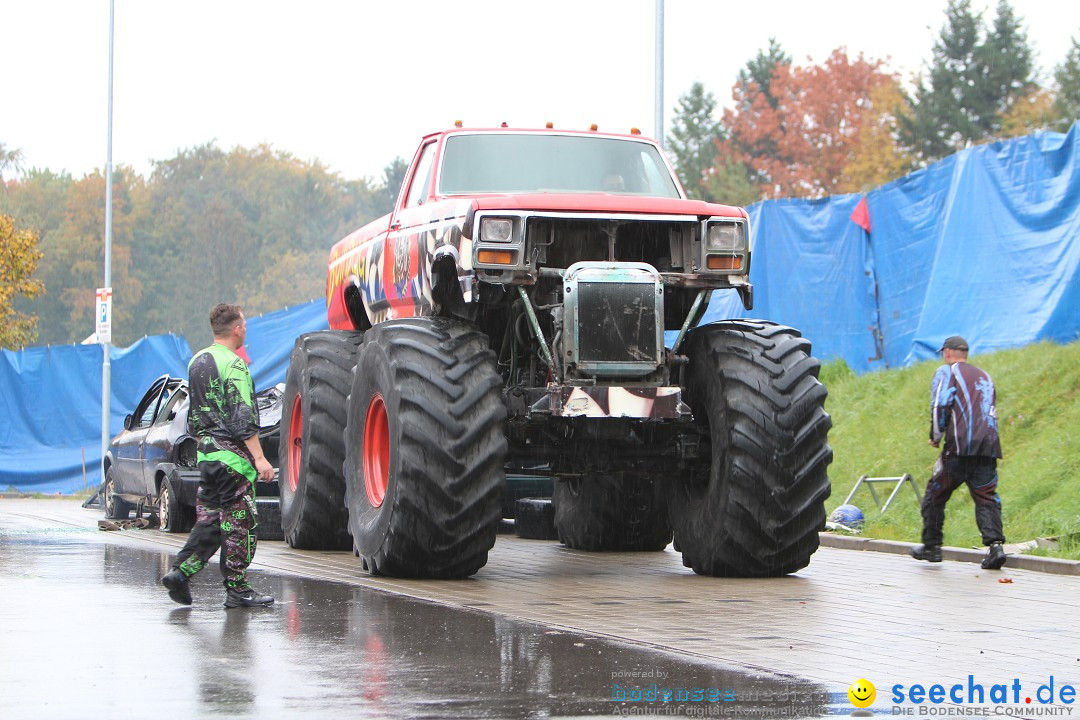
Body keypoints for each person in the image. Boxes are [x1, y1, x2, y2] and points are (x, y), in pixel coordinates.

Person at [161, 304, 276, 607]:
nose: (245, 331)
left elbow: (195, 415)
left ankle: (180, 573)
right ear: (237, 329)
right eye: (245, 326)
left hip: (208, 458)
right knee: (239, 523)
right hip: (233, 461)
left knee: (210, 522)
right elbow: (243, 415)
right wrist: (260, 459)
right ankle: (237, 590)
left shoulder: (197, 361)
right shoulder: (235, 365)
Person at [911, 336, 1006, 570]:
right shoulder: (984, 375)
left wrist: (936, 435)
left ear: (948, 353)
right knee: (986, 496)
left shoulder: (947, 372)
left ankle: (932, 547)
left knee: (935, 494)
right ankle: (996, 547)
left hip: (959, 447)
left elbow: (940, 405)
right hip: (988, 446)